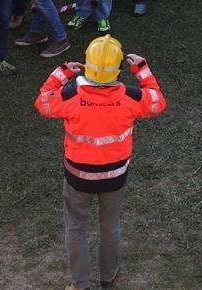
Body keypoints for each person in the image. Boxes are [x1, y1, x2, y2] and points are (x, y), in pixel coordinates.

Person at [34, 36, 167, 290]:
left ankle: (80, 285)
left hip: (77, 178)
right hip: (115, 178)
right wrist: (142, 71)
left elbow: (43, 102)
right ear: (117, 68)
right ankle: (108, 278)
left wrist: (60, 73)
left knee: (75, 227)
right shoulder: (131, 96)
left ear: (87, 63)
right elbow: (157, 102)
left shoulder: (70, 95)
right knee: (110, 226)